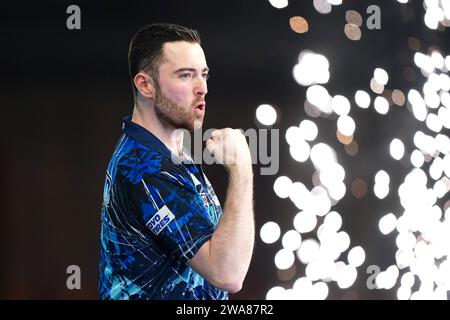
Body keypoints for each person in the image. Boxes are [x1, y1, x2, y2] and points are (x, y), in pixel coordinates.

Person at [98, 23, 254, 300]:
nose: (202, 88)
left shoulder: (165, 154)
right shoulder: (146, 170)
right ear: (145, 85)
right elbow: (228, 273)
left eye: (204, 75)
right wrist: (241, 168)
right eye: (185, 76)